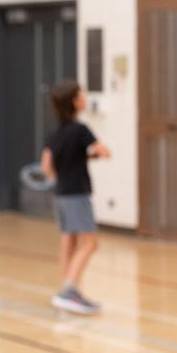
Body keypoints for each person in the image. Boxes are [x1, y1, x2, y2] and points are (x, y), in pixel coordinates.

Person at [40, 80, 110, 315]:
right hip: (77, 194)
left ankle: (69, 289)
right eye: (81, 95)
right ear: (74, 102)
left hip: (60, 194)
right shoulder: (80, 130)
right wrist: (95, 154)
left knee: (68, 242)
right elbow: (103, 150)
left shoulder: (54, 133)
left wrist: (57, 180)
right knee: (90, 243)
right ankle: (68, 291)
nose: (85, 97)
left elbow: (47, 165)